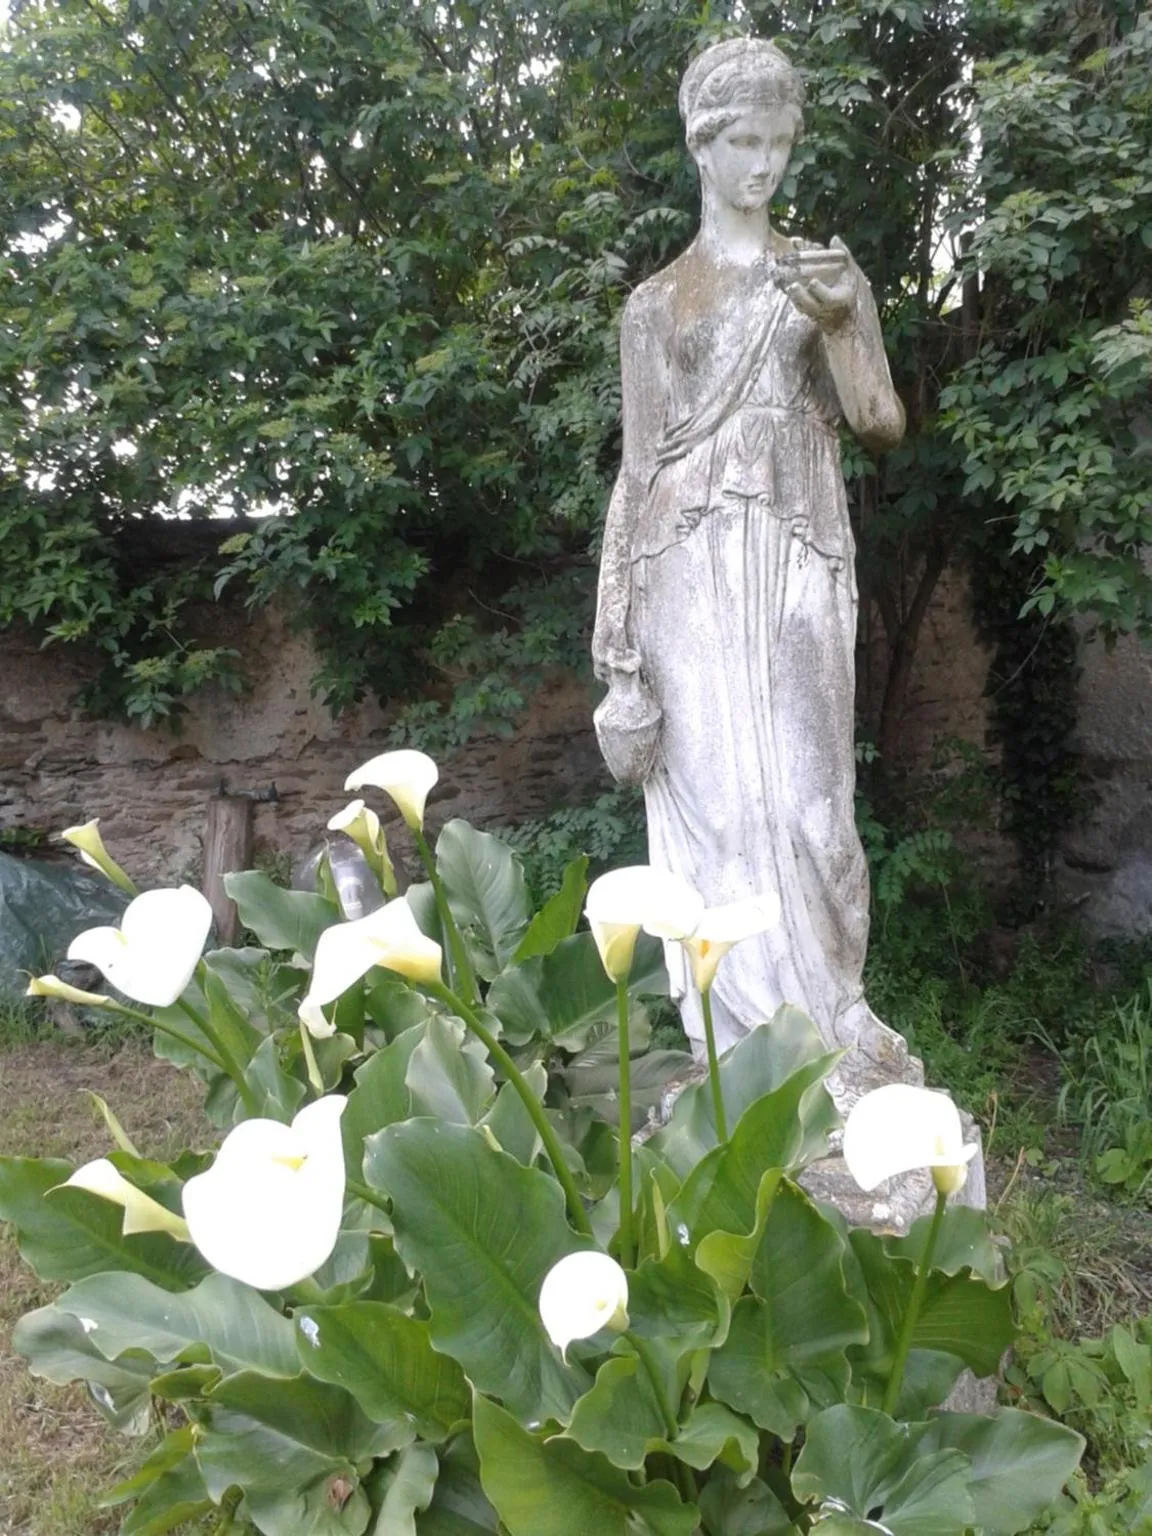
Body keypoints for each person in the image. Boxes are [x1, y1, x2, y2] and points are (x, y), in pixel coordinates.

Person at [593, 36, 905, 1057]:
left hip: (797, 548)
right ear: (702, 146)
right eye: (744, 142)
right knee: (721, 811)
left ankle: (835, 1011)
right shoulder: (654, 307)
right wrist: (616, 651)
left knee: (817, 803)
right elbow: (637, 478)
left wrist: (852, 319)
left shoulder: (820, 275)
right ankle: (738, 1051)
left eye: (779, 142)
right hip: (682, 570)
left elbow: (880, 421)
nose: (764, 164)